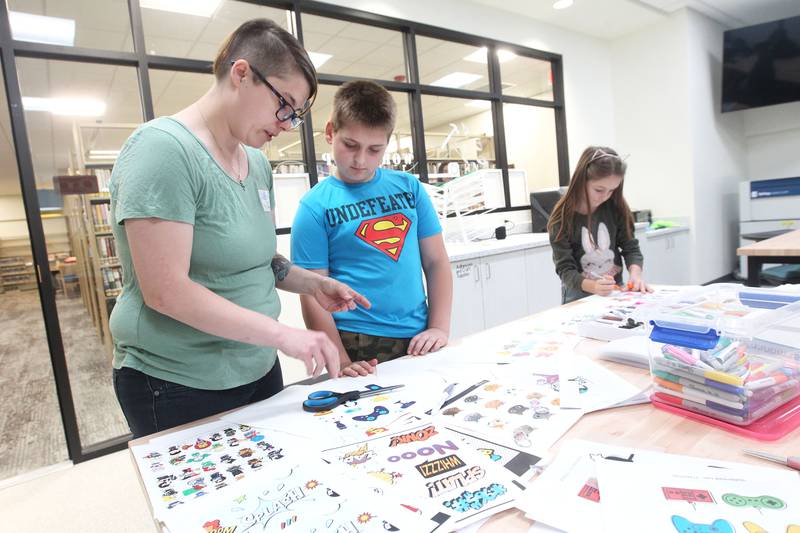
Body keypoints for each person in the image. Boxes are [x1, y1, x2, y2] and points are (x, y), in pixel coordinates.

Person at [109, 19, 369, 439]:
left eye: (295, 114)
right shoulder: (163, 150)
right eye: (284, 103)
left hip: (256, 366)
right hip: (178, 382)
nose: (286, 123)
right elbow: (165, 290)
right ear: (241, 74)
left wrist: (311, 285)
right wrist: (285, 334)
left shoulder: (257, 163)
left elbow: (258, 260)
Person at [291, 81, 453, 378]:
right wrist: (339, 359)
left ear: (387, 144)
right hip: (357, 341)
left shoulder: (410, 189)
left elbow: (436, 261)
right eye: (350, 145)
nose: (360, 160)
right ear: (330, 133)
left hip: (419, 333)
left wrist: (439, 327)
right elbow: (312, 292)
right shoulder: (314, 207)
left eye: (374, 149)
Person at [547, 145, 651, 304]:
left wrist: (635, 276)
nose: (605, 196)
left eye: (612, 190)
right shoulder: (562, 217)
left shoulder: (616, 207)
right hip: (578, 297)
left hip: (615, 292)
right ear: (582, 181)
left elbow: (631, 248)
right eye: (599, 189)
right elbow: (565, 270)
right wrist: (594, 287)